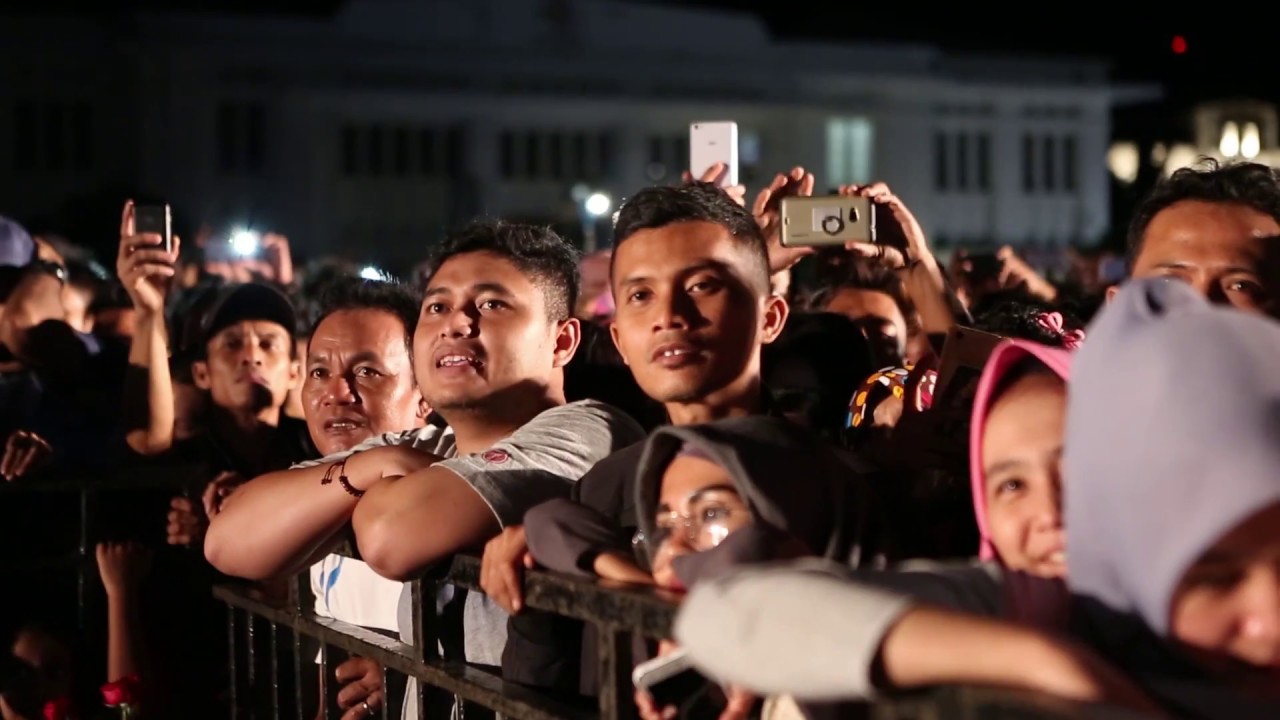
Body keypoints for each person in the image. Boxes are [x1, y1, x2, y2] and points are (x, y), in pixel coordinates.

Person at [674, 278, 1280, 717]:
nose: (1269, 618)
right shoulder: (1058, 609)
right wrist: (1045, 662)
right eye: (1214, 576)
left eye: (1079, 471)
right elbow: (728, 613)